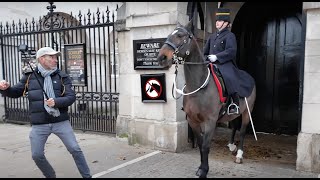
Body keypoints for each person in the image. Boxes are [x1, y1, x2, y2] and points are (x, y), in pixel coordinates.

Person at [0, 47, 91, 178]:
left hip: (60, 121)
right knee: (36, 155)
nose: (56, 60)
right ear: (42, 59)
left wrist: (56, 102)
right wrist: (6, 88)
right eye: (52, 57)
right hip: (39, 123)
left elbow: (71, 97)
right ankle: (50, 175)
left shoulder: (61, 76)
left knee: (75, 149)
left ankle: (87, 176)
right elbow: (15, 92)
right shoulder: (29, 76)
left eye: (56, 57)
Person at [203, 8, 255, 115]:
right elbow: (205, 52)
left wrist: (217, 57)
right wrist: (206, 59)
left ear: (226, 23)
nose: (217, 22)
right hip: (211, 64)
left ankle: (234, 103)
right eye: (217, 20)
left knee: (228, 76)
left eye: (220, 21)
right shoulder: (212, 37)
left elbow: (231, 51)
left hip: (225, 64)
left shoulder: (230, 36)